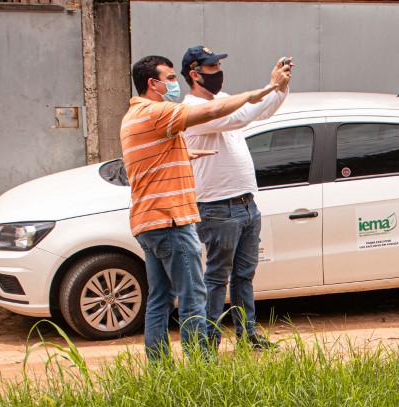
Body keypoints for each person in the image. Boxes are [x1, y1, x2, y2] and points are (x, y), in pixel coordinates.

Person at [120, 54, 287, 360]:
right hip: (171, 219)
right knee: (193, 295)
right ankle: (202, 368)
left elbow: (153, 162)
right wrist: (259, 91)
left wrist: (183, 156)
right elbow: (212, 110)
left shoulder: (135, 116)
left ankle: (161, 371)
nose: (174, 85)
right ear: (152, 84)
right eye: (170, 79)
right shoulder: (156, 112)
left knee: (160, 299)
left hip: (150, 220)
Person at [181, 48, 292, 350]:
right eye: (212, 66)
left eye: (218, 65)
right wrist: (270, 86)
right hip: (218, 207)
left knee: (244, 275)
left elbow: (264, 110)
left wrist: (281, 86)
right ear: (194, 74)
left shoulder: (221, 99)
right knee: (217, 279)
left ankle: (248, 335)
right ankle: (207, 344)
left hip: (245, 204)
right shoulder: (193, 110)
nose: (218, 70)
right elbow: (241, 116)